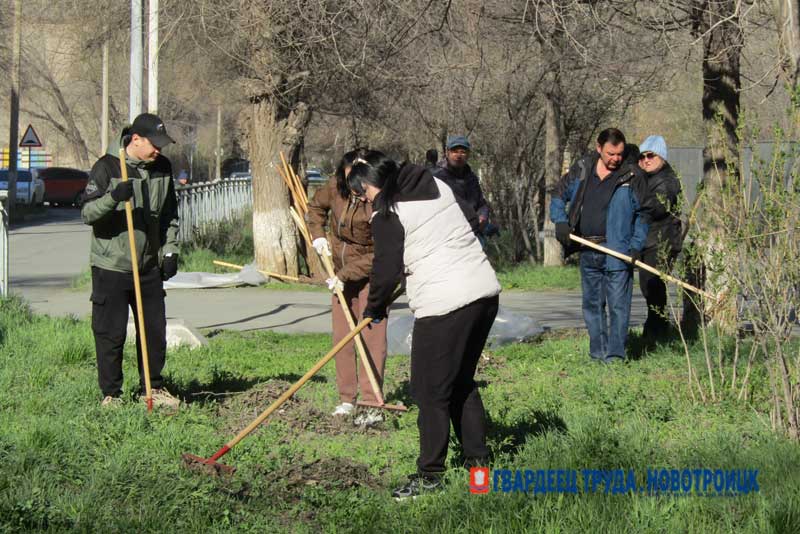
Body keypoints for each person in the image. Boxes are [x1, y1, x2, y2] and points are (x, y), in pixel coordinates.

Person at [349, 150, 501, 500]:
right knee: (461, 384)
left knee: (429, 392)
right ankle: (480, 474)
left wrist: (374, 308)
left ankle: (430, 476)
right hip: (484, 292)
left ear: (373, 183)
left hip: (445, 304)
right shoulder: (436, 183)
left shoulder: (388, 212)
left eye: (363, 193)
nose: (365, 201)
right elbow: (468, 220)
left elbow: (385, 271)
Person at [81, 113, 181, 408]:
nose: (159, 150)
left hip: (148, 265)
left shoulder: (162, 168)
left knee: (154, 332)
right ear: (136, 139)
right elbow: (87, 214)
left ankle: (152, 388)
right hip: (111, 266)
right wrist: (113, 197)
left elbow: (169, 214)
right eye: (154, 144)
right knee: (110, 334)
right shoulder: (107, 167)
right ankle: (111, 394)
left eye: (162, 145)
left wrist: (170, 249)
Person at [550, 128, 650, 363]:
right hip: (588, 248)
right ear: (599, 148)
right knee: (592, 306)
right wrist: (560, 221)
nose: (615, 159)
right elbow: (558, 194)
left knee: (618, 306)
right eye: (610, 154)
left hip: (618, 251)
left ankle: (615, 357)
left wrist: (636, 246)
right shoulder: (583, 168)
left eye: (619, 154)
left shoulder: (632, 174)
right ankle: (598, 354)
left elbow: (644, 214)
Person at [306, 149, 388, 427]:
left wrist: (346, 274)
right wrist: (318, 236)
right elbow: (315, 208)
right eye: (348, 177)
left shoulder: (378, 199)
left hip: (371, 274)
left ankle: (372, 402)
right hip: (339, 272)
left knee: (372, 339)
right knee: (343, 337)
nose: (353, 185)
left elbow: (381, 252)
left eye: (359, 179)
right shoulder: (335, 186)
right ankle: (346, 398)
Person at [637, 135, 683, 341]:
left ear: (662, 157)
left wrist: (634, 204)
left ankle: (657, 333)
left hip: (662, 243)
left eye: (651, 156)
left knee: (653, 288)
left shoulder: (667, 181)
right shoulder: (647, 178)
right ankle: (655, 331)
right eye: (642, 156)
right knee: (648, 288)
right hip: (649, 241)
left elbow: (656, 207)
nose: (646, 160)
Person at [433, 135, 490, 233]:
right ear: (447, 153)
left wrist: (483, 216)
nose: (458, 156)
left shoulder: (471, 178)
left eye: (463, 152)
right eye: (455, 151)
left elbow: (481, 203)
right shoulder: (437, 177)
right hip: (446, 233)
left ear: (468, 154)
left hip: (472, 231)